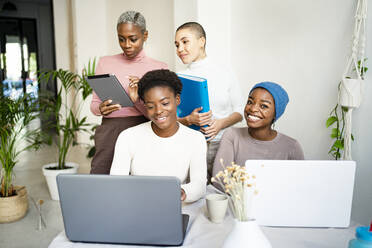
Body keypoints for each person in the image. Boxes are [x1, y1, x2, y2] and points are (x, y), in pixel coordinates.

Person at [110, 69, 207, 203]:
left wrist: (182, 192)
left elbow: (200, 185)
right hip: (136, 205)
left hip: (174, 206)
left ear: (177, 99)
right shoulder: (128, 137)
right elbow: (116, 184)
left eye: (165, 103)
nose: (159, 111)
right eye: (150, 106)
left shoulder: (195, 139)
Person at [90, 11, 167, 174]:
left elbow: (160, 114)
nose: (127, 45)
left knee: (141, 181)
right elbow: (94, 104)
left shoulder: (159, 68)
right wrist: (100, 109)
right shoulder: (105, 62)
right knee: (101, 175)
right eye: (121, 39)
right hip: (110, 129)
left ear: (145, 35)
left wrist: (138, 99)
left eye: (133, 39)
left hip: (144, 127)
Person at [174, 22, 244, 181]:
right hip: (190, 146)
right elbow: (171, 118)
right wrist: (188, 119)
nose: (180, 49)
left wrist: (220, 123)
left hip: (222, 145)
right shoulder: (178, 77)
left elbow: (240, 111)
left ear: (201, 41)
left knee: (222, 194)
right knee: (191, 195)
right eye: (177, 44)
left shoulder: (224, 72)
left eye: (185, 42)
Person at [212, 82, 305, 180]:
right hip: (235, 195)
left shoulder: (291, 146)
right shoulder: (232, 135)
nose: (253, 109)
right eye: (250, 102)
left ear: (276, 114)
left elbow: (300, 183)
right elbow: (219, 181)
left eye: (263, 106)